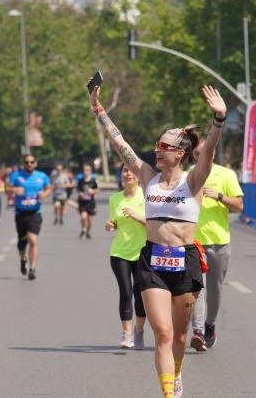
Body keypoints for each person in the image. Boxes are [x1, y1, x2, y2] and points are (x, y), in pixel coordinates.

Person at [90, 80, 226, 398]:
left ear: (180, 153)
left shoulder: (193, 180)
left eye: (164, 147)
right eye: (157, 145)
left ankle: (176, 375)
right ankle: (168, 394)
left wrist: (218, 120)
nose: (157, 150)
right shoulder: (148, 177)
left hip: (186, 260)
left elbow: (208, 152)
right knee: (162, 332)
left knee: (179, 337)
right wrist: (99, 109)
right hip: (151, 260)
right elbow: (120, 143)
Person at [188, 138, 244, 352]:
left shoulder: (226, 174)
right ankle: (198, 331)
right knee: (196, 288)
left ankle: (210, 324)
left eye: (203, 153)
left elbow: (239, 206)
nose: (199, 157)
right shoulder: (189, 175)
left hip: (219, 242)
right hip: (193, 242)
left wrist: (218, 196)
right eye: (195, 155)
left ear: (212, 153)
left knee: (215, 290)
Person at [106, 164, 147, 349]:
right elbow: (115, 222)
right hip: (119, 252)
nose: (128, 173)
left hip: (143, 253)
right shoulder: (114, 198)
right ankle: (127, 333)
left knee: (140, 295)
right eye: (124, 170)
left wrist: (137, 216)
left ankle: (139, 330)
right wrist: (111, 225)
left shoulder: (147, 196)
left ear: (138, 176)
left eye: (132, 171)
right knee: (125, 292)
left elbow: (155, 224)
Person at [5, 154, 52, 280]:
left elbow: (48, 188)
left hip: (35, 212)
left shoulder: (41, 176)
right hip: (20, 213)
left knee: (32, 239)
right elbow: (6, 189)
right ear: (24, 164)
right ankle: (23, 259)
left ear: (36, 163)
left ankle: (32, 268)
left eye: (32, 162)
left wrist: (44, 194)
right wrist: (14, 189)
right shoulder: (16, 175)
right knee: (22, 242)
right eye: (27, 162)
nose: (29, 164)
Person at [74, 164, 99, 239]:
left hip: (90, 202)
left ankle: (88, 231)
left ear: (90, 171)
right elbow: (78, 189)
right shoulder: (81, 181)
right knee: (83, 216)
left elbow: (97, 190)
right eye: (85, 170)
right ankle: (83, 229)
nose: (86, 172)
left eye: (88, 170)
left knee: (90, 220)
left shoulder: (93, 180)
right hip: (82, 202)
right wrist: (80, 193)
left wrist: (93, 191)